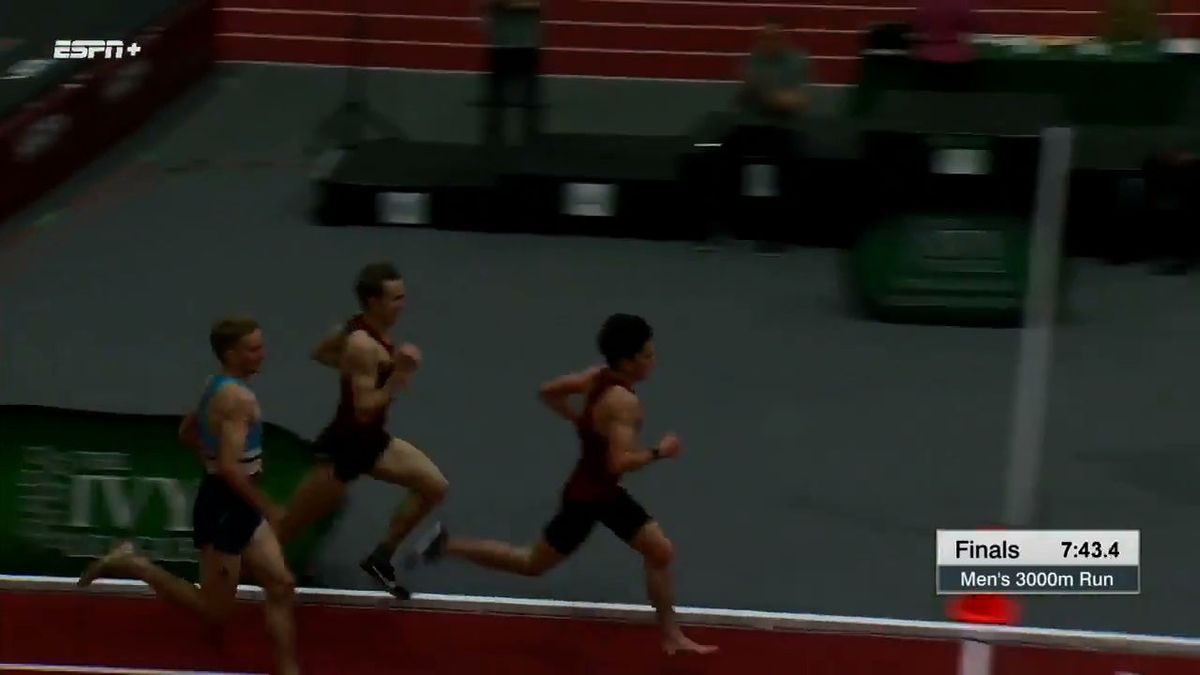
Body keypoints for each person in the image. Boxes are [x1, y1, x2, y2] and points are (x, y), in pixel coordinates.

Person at [411, 314, 717, 656]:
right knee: (530, 563)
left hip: (603, 491)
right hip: (587, 498)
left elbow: (549, 393)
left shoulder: (595, 377)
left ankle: (671, 635)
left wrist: (583, 423)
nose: (653, 361)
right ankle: (447, 543)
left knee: (660, 551)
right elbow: (619, 462)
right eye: (647, 355)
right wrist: (660, 451)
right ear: (627, 362)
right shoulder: (623, 404)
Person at [78, 316, 299, 675]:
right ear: (231, 353)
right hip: (225, 508)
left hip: (237, 502)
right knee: (213, 611)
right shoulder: (237, 399)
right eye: (254, 348)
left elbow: (187, 431)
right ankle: (134, 563)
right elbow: (229, 466)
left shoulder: (215, 385)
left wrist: (214, 462)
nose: (264, 354)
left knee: (281, 583)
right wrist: (268, 505)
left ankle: (288, 668)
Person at [276, 262, 448, 599]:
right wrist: (396, 374)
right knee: (286, 529)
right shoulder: (362, 345)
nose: (403, 304)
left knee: (434, 486)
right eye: (395, 299)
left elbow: (320, 352)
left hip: (373, 443)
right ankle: (232, 576)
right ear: (373, 302)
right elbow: (365, 410)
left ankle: (380, 557)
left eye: (403, 296)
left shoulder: (356, 331)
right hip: (344, 450)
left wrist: (364, 371)